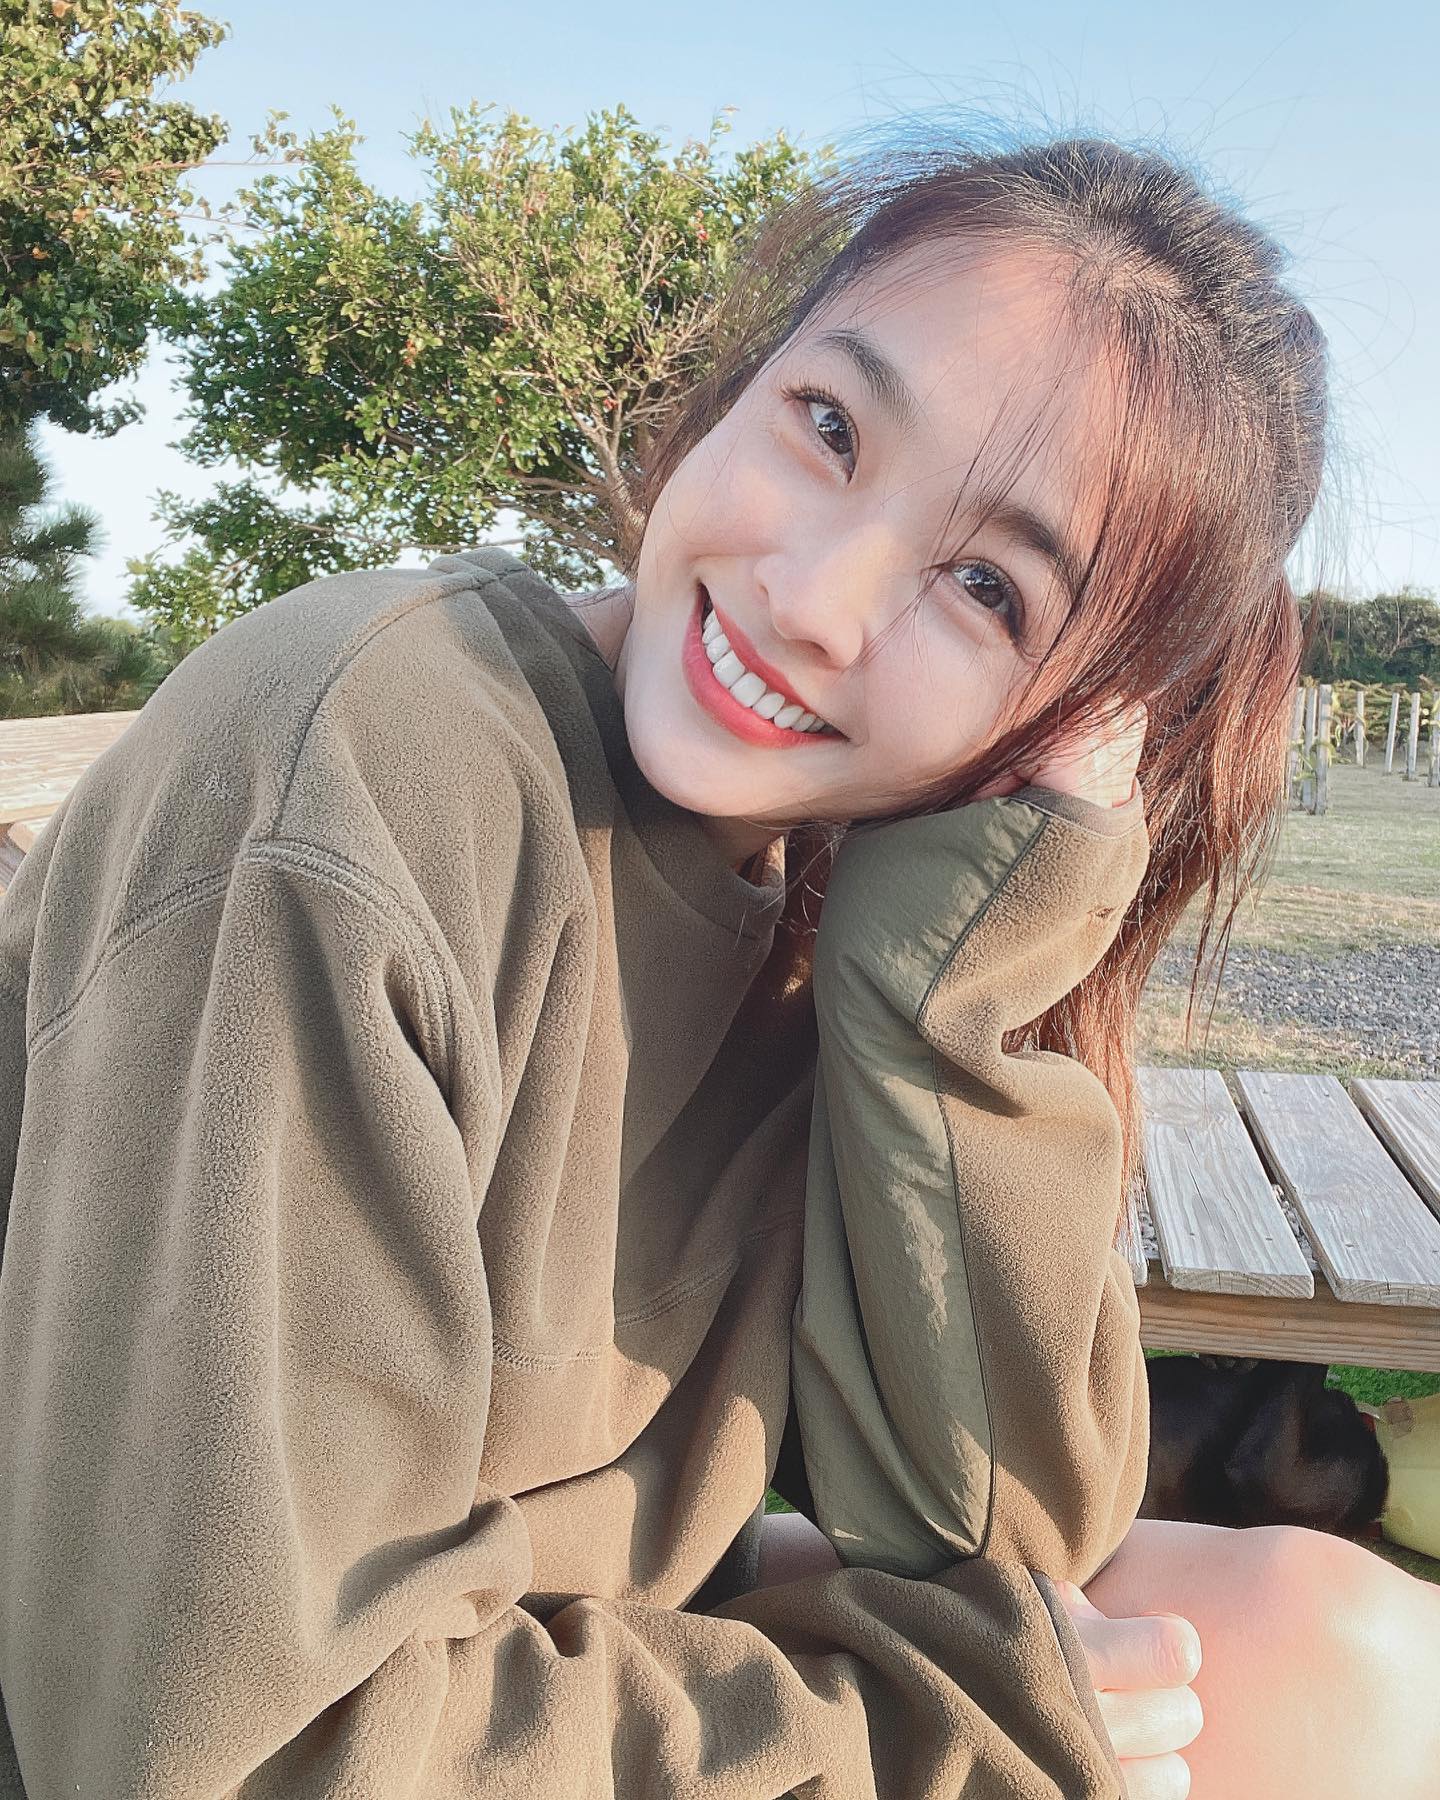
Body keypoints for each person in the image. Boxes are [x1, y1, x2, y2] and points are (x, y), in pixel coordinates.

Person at [0, 125, 1436, 1800]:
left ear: (1079, 713)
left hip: (524, 1639)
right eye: (830, 427)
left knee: (1345, 1657)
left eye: (987, 589)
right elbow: (202, 1748)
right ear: (744, 381)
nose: (818, 597)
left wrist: (947, 983)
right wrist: (910, 1739)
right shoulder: (370, 780)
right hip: (221, 1713)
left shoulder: (822, 875)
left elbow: (992, 1537)